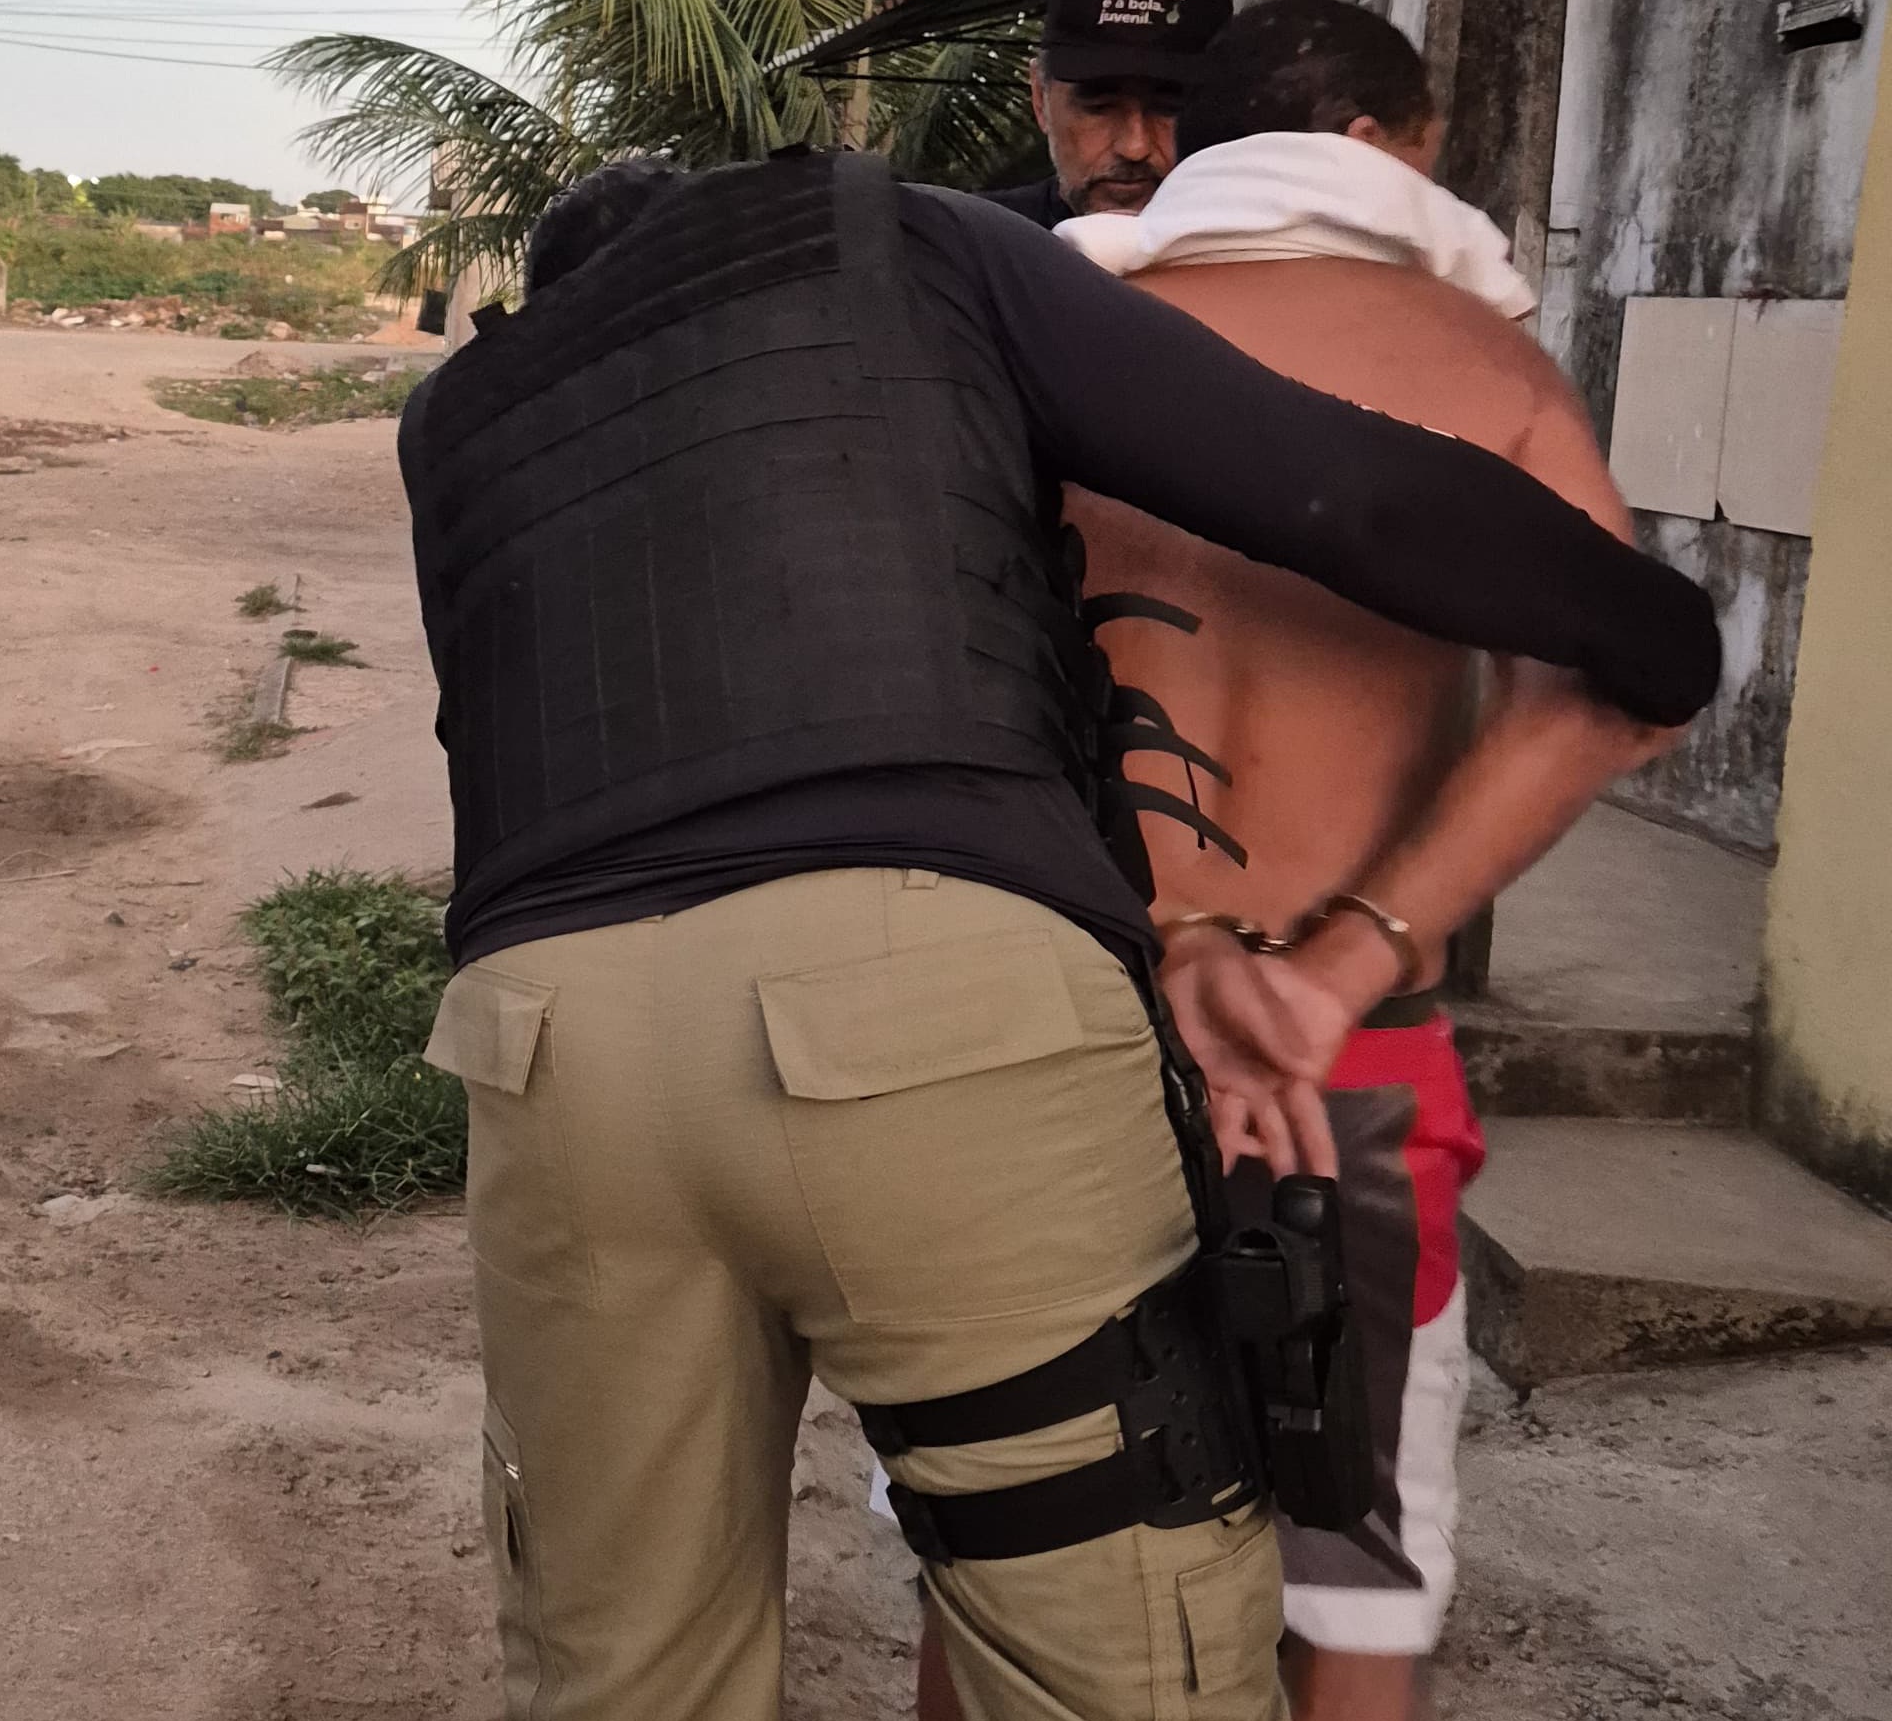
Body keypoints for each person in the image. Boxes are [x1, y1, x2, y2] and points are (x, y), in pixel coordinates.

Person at [397, 151, 1719, 1721]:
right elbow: (1336, 493)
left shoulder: (459, 414)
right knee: (1117, 1655)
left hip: (548, 1044)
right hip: (924, 1005)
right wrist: (1654, 628)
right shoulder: (891, 235)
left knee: (620, 1671)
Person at [1062, 0, 1660, 1718]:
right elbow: (1621, 690)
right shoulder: (1488, 369)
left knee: (1018, 1551)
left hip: (1076, 1023)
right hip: (1350, 1058)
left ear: (1200, 144)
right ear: (1390, 147)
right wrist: (1339, 963)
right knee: (1354, 1581)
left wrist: (1176, 930)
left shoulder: (1055, 350)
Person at [980, 0, 1229, 226]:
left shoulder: (1266, 243)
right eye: (1099, 107)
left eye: (1170, 108)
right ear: (1039, 99)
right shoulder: (970, 243)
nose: (1135, 147)